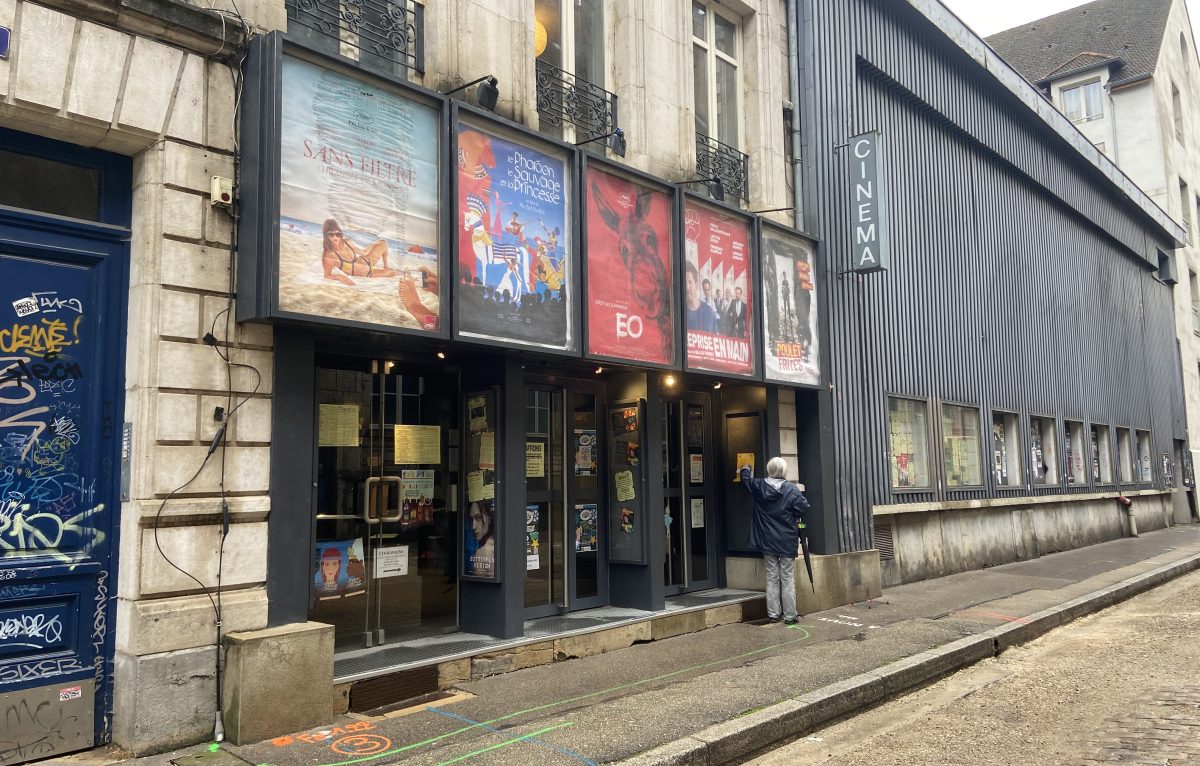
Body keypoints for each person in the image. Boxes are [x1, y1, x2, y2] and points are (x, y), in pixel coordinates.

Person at [740, 457, 809, 624]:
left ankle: (773, 615)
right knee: (787, 578)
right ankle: (790, 616)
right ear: (784, 471)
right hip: (786, 540)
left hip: (767, 540)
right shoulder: (791, 490)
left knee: (771, 577)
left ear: (769, 469)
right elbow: (804, 507)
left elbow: (746, 480)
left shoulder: (758, 486)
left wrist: (745, 467)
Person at [321, 219, 399, 285]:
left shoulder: (347, 242)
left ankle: (386, 266)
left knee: (383, 242)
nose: (335, 237)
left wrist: (374, 244)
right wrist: (338, 276)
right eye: (331, 234)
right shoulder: (329, 255)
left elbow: (364, 252)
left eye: (337, 234)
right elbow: (327, 275)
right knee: (394, 273)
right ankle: (387, 270)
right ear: (326, 236)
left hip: (366, 260)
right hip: (366, 273)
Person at [685, 262, 719, 333]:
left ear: (696, 285)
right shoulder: (679, 313)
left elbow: (714, 337)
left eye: (690, 282)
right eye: (684, 283)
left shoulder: (709, 312)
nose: (687, 287)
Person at [468, 501, 495, 577]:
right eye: (471, 519)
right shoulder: (496, 545)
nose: (473, 526)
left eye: (478, 518)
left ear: (489, 517)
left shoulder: (482, 552)